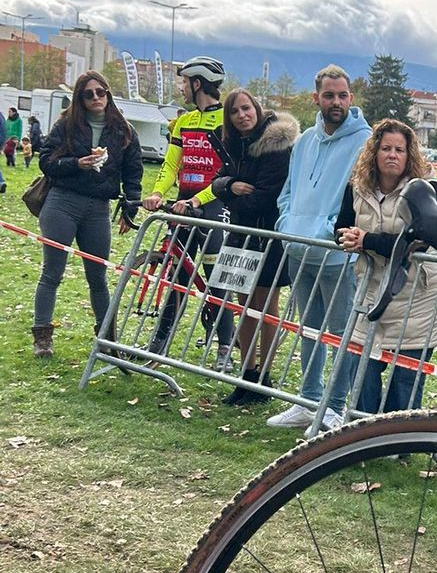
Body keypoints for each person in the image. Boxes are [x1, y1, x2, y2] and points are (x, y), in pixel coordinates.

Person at [266, 64, 371, 432]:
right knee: (308, 328)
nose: (337, 101)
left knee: (343, 332)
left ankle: (335, 407)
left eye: (343, 95)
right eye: (329, 95)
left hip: (336, 255)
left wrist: (330, 230)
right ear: (317, 98)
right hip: (298, 247)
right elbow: (290, 189)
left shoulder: (365, 142)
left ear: (351, 98)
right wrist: (287, 220)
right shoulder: (305, 140)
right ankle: (309, 399)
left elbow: (363, 197)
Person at [334, 120, 437, 415]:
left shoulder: (427, 189)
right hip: (372, 293)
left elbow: (421, 239)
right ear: (374, 152)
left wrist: (367, 240)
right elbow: (341, 225)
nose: (392, 155)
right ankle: (362, 433)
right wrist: (345, 237)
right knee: (361, 370)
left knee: (405, 381)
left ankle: (397, 443)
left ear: (410, 155)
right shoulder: (356, 187)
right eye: (386, 148)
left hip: (416, 297)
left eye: (400, 149)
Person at [32, 71, 142, 358]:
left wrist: (130, 207)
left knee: (98, 276)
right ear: (79, 98)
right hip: (62, 203)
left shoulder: (124, 131)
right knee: (52, 272)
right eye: (88, 94)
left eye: (101, 92)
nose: (96, 98)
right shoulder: (66, 125)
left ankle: (106, 340)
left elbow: (133, 174)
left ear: (108, 94)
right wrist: (76, 163)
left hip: (98, 209)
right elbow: (46, 161)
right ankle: (42, 336)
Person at [142, 55, 235, 367]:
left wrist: (198, 200)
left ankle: (225, 346)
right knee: (177, 274)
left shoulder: (226, 120)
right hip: (183, 202)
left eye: (184, 82)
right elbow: (171, 165)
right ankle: (161, 341)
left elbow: (226, 172)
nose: (180, 88)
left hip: (213, 205)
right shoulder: (183, 121)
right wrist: (157, 192)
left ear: (197, 83)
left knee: (216, 277)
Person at [208, 89, 300, 404]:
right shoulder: (234, 145)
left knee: (266, 309)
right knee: (242, 306)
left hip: (268, 238)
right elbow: (218, 182)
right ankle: (246, 374)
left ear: (256, 109)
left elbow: (267, 197)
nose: (242, 115)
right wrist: (229, 186)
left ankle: (263, 374)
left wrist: (232, 195)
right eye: (235, 112)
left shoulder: (277, 146)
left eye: (246, 108)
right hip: (240, 239)